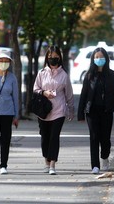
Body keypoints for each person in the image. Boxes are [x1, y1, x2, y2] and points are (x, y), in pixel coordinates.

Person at [77, 47, 114, 175]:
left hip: (107, 111)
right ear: (93, 59)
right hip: (92, 111)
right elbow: (84, 95)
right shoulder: (89, 76)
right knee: (94, 137)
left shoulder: (113, 75)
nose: (99, 59)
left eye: (101, 57)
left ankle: (104, 157)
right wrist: (80, 113)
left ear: (106, 58)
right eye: (96, 57)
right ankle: (95, 165)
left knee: (105, 138)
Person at [33, 45, 74, 175]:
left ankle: (52, 164)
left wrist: (71, 110)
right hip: (44, 111)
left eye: (56, 57)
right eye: (50, 57)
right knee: (45, 137)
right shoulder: (42, 73)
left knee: (54, 137)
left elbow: (69, 94)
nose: (53, 60)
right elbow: (35, 89)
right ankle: (46, 160)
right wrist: (44, 92)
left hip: (59, 110)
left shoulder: (64, 75)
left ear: (60, 58)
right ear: (47, 58)